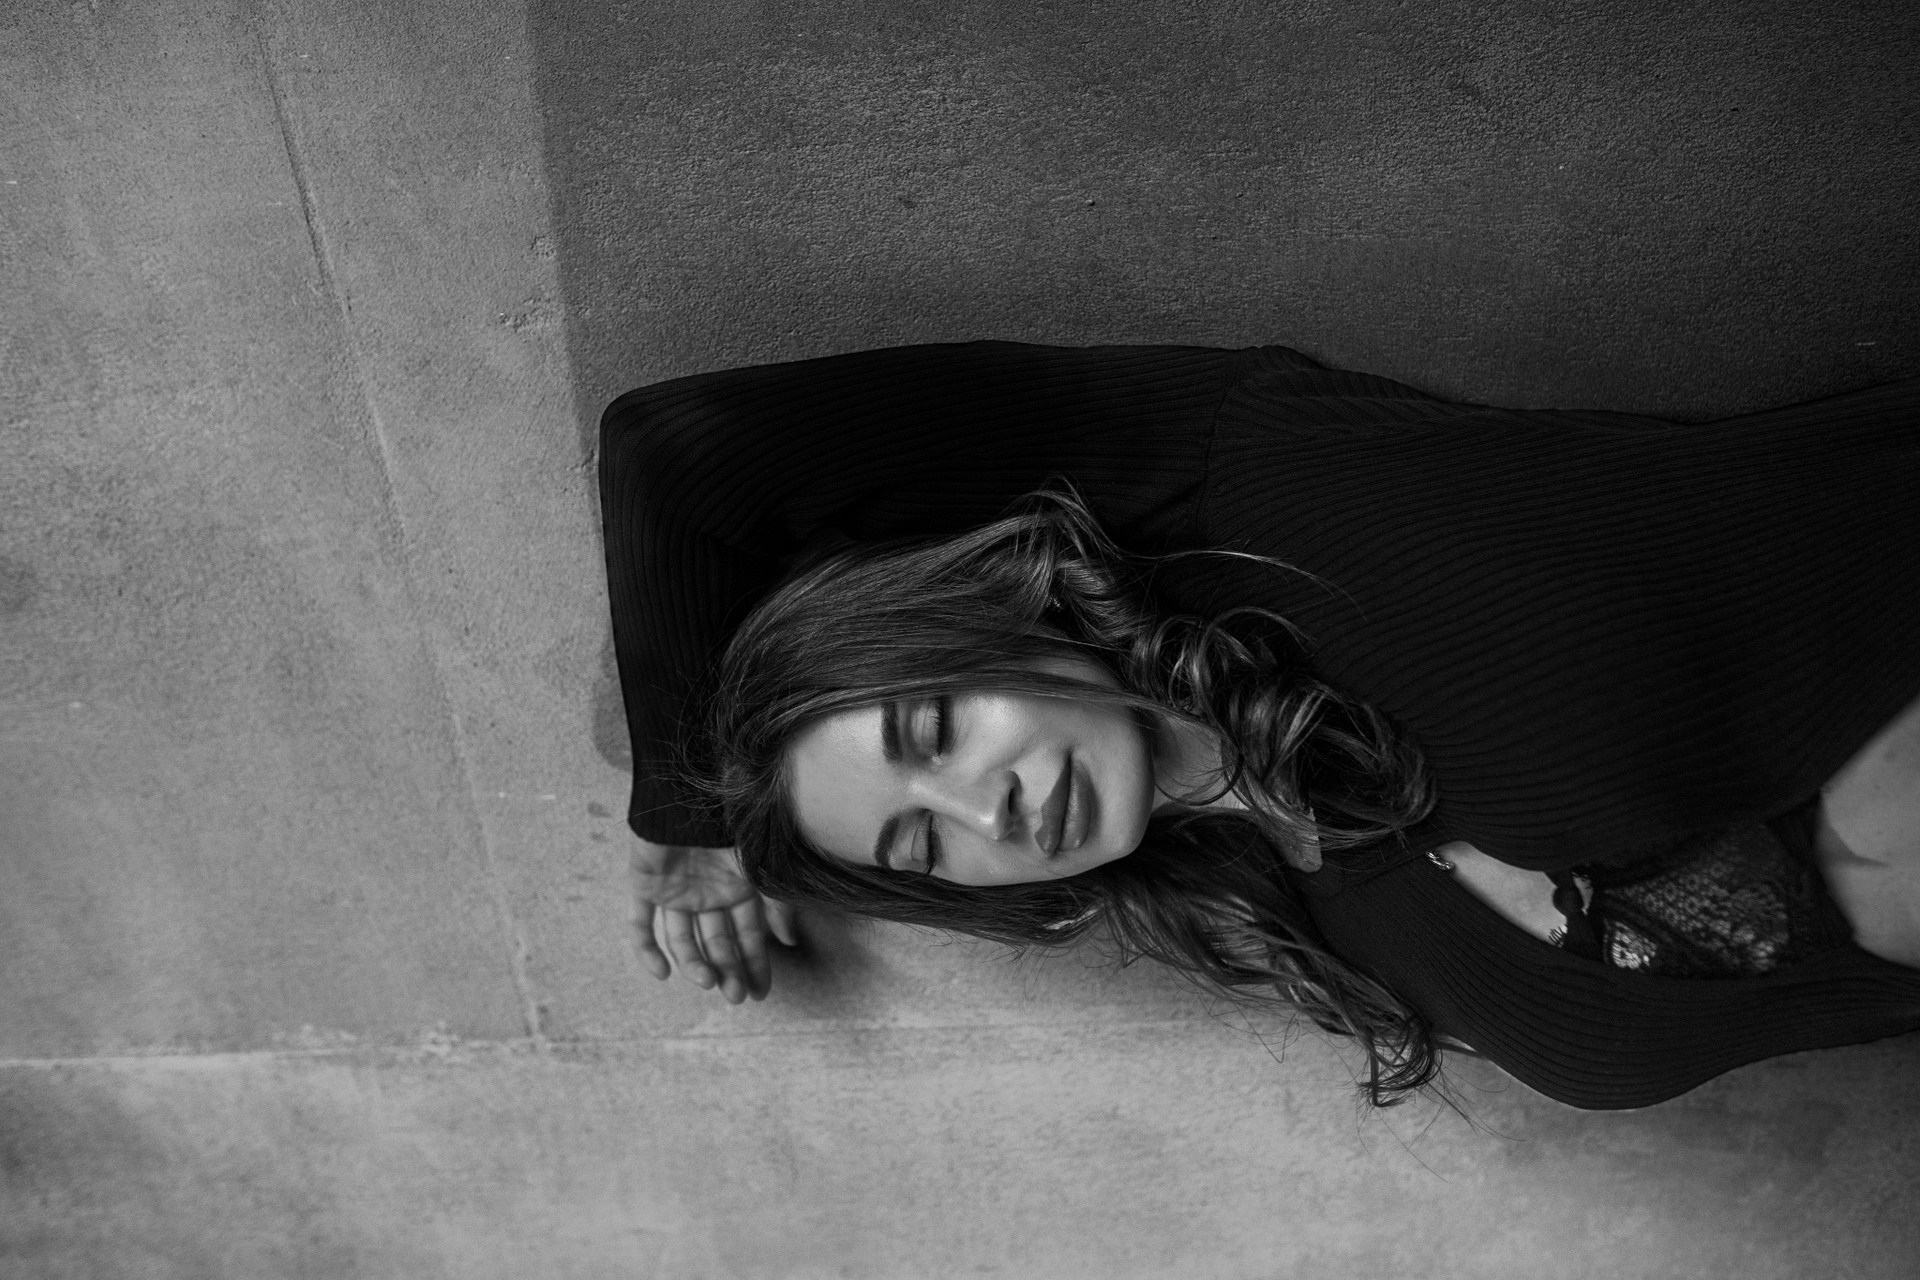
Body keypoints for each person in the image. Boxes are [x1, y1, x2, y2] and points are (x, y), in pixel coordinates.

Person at [600, 340, 1920, 1109]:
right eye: (923, 847)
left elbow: (680, 454)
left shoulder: (1247, 487)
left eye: (935, 729)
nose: (980, 808)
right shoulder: (1311, 927)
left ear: (985, 615)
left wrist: (688, 815)